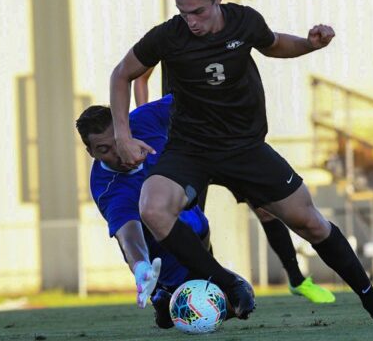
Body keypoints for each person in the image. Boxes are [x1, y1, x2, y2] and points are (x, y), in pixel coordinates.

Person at [109, 0, 373, 324]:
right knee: (153, 208)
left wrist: (310, 44)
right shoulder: (167, 36)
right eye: (183, 12)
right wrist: (122, 136)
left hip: (245, 148)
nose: (191, 21)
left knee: (311, 223)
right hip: (190, 149)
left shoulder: (244, 21)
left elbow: (275, 45)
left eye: (198, 11)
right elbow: (122, 74)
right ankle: (227, 283)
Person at [133, 69, 335, 303]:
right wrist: (146, 121)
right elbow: (139, 76)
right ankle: (184, 288)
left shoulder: (226, 38)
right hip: (185, 149)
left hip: (223, 142)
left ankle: (296, 279)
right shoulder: (168, 37)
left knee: (265, 208)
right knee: (188, 219)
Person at [77, 95, 222, 329]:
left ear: (124, 128)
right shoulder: (109, 188)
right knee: (226, 306)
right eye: (104, 150)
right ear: (90, 152)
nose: (118, 154)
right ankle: (163, 294)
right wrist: (141, 267)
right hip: (163, 255)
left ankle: (165, 298)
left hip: (196, 226)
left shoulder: (145, 119)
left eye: (118, 141)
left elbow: (191, 96)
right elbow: (129, 235)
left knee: (198, 230)